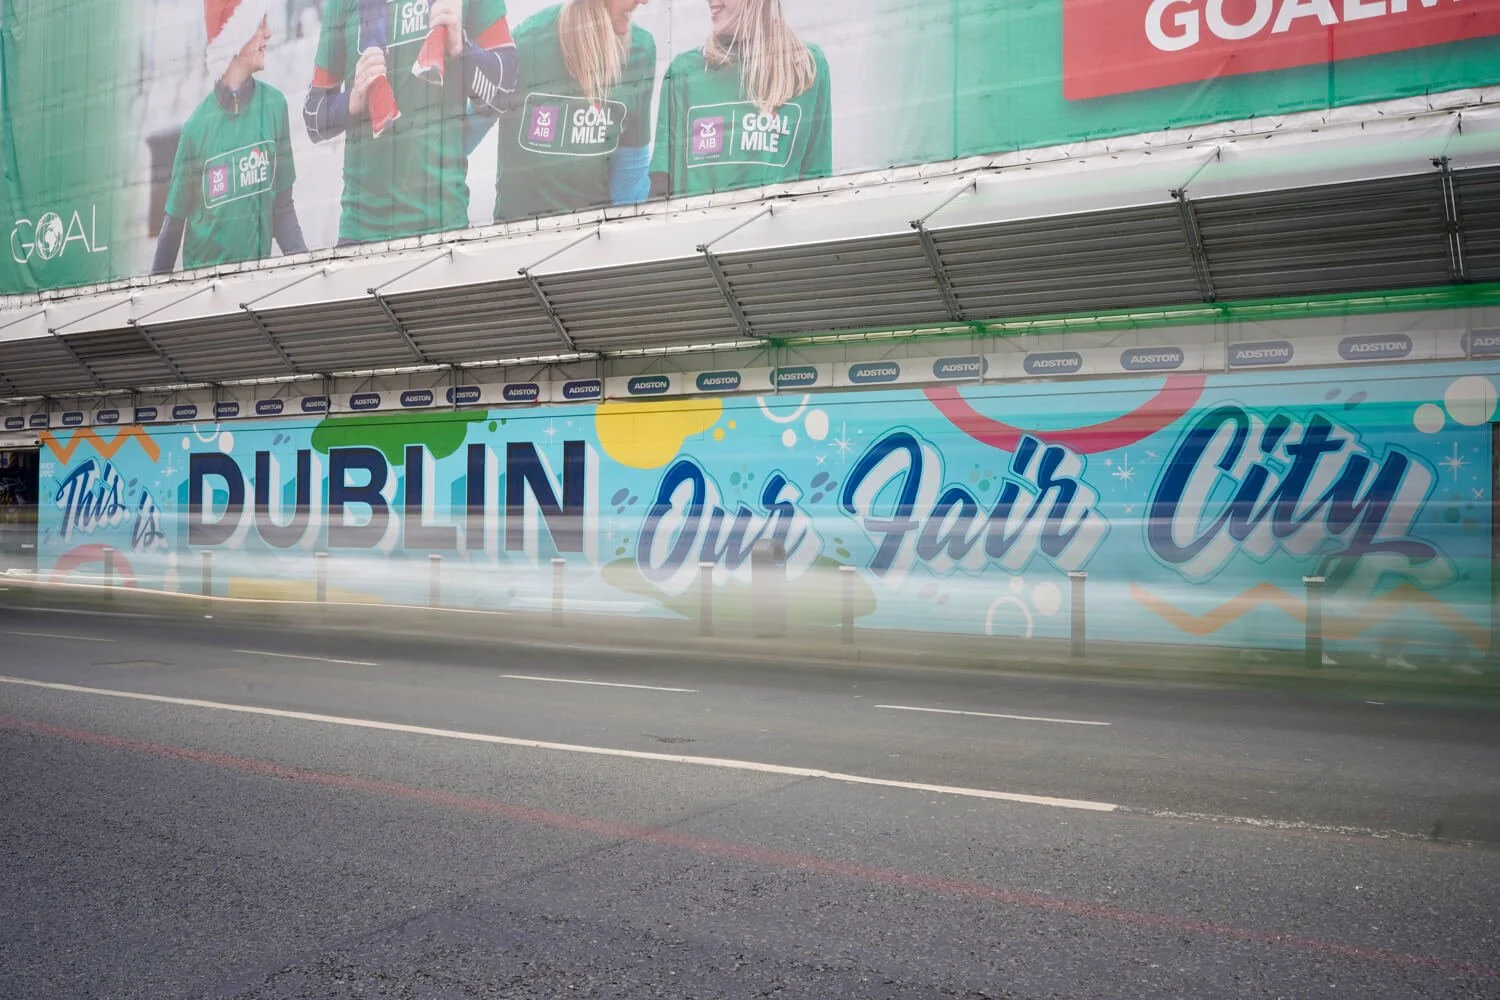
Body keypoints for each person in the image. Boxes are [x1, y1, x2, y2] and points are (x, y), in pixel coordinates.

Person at [303, 0, 520, 245]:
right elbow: (314, 119)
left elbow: (506, 92)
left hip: (444, 229)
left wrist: (461, 49)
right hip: (360, 233)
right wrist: (353, 100)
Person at [154, 0, 307, 274]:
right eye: (260, 23)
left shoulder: (274, 105)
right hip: (206, 299)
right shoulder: (196, 129)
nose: (268, 33)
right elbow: (172, 226)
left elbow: (282, 207)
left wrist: (307, 272)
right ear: (236, 37)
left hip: (256, 291)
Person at [492, 0, 656, 223]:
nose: (644, 1)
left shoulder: (641, 50)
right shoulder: (527, 42)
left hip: (594, 242)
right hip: (520, 244)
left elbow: (630, 170)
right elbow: (465, 128)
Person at [649, 0, 830, 199]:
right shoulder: (685, 72)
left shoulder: (806, 67)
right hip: (705, 228)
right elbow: (660, 186)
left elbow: (817, 181)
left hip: (775, 225)